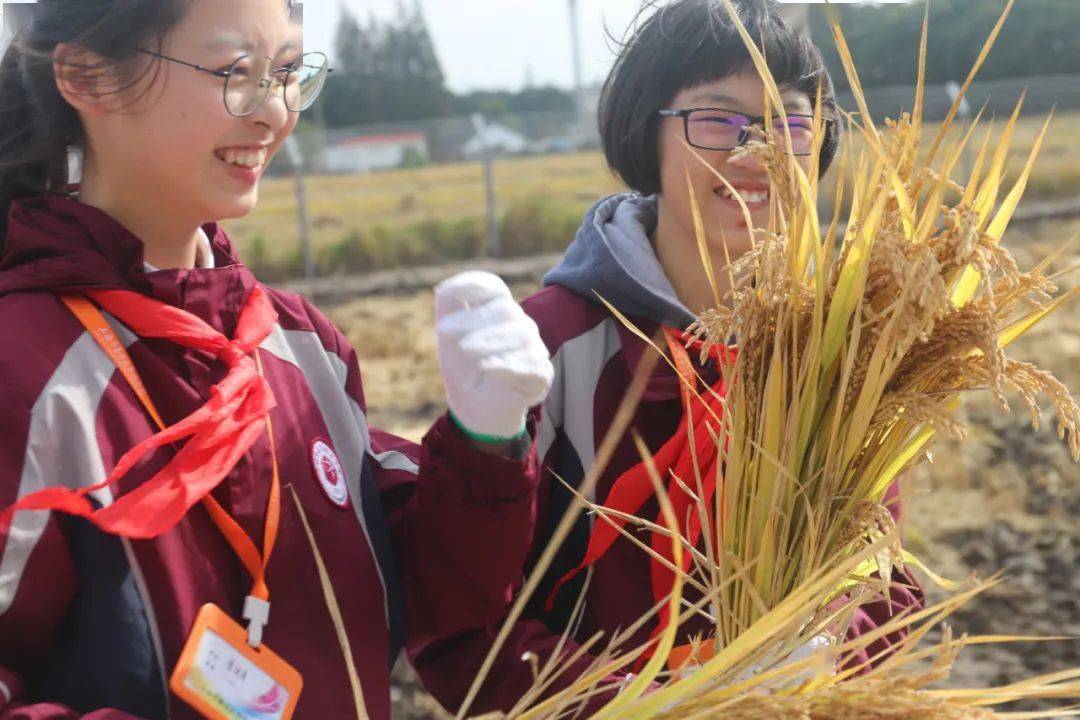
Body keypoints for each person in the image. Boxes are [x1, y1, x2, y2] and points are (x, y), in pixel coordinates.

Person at [0, 1, 553, 718]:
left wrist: (487, 439)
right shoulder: (27, 372)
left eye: (289, 72)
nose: (275, 112)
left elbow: (427, 596)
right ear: (88, 78)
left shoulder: (301, 345)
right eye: (236, 73)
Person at [411, 0, 925, 714]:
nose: (759, 152)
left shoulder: (835, 356)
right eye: (717, 119)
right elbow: (459, 620)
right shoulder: (551, 349)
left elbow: (883, 580)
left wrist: (824, 661)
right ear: (645, 132)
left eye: (792, 123)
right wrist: (647, 707)